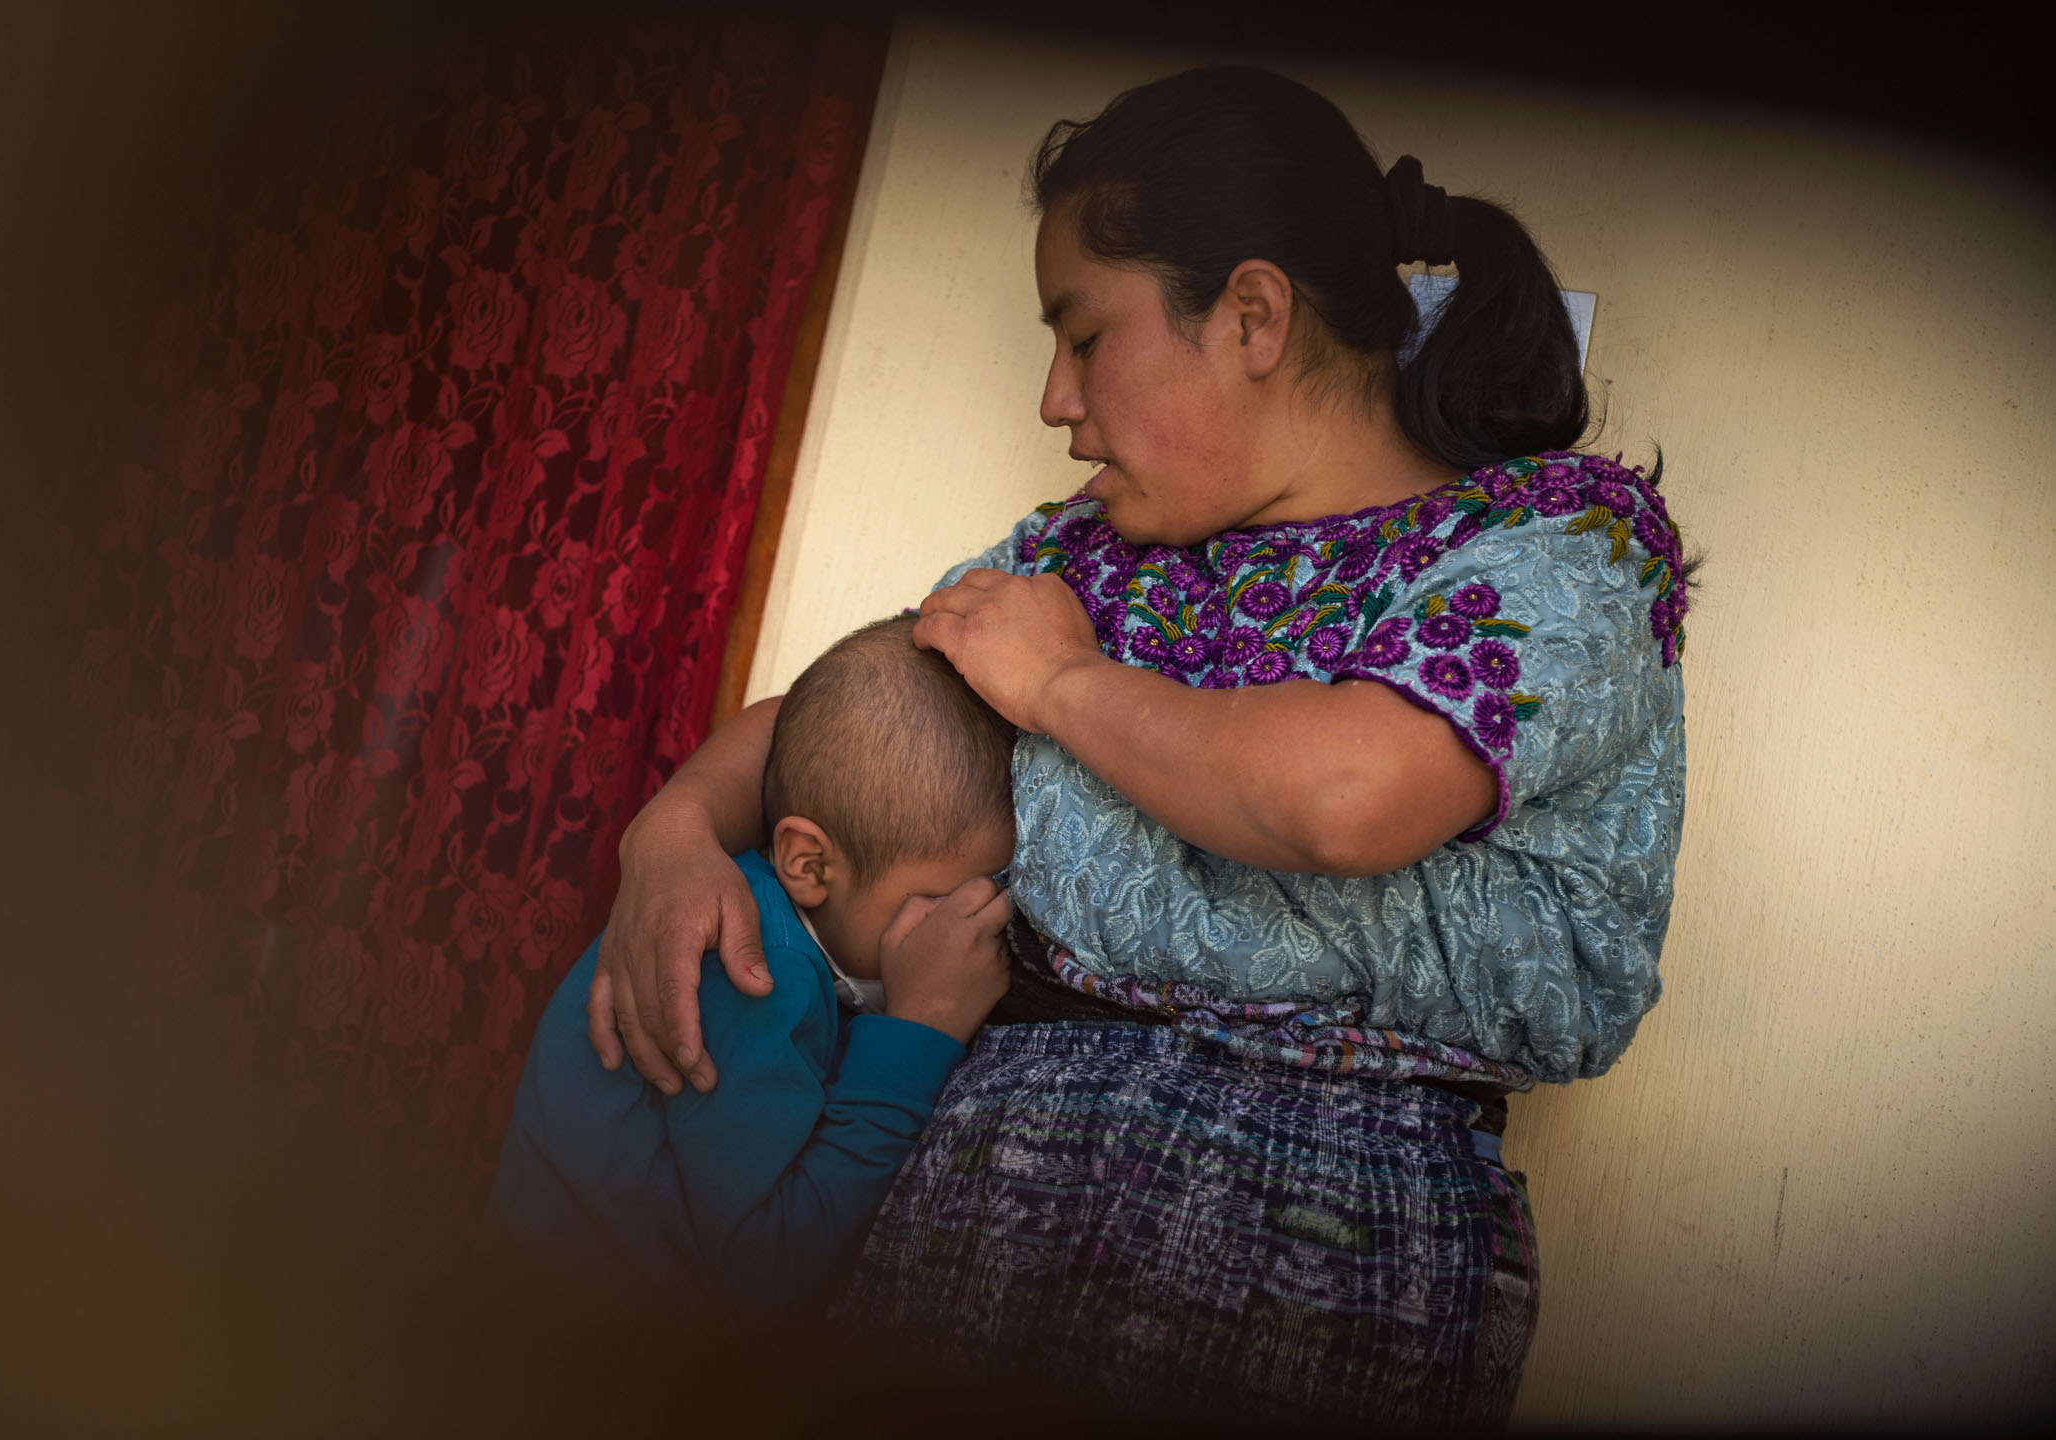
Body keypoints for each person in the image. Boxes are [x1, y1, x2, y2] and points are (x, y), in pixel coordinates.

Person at [585, 66, 1690, 1427]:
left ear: (1252, 316)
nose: (1056, 400)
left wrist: (1059, 683)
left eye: (1083, 334)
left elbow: (1346, 794)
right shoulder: (1087, 554)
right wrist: (675, 830)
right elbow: (852, 722)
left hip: (1325, 1249)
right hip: (967, 1219)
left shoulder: (1550, 549)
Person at [484, 616, 1015, 1315]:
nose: (965, 925)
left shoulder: (799, 926)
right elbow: (765, 1270)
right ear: (808, 863)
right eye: (939, 899)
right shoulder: (753, 974)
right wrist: (921, 1031)